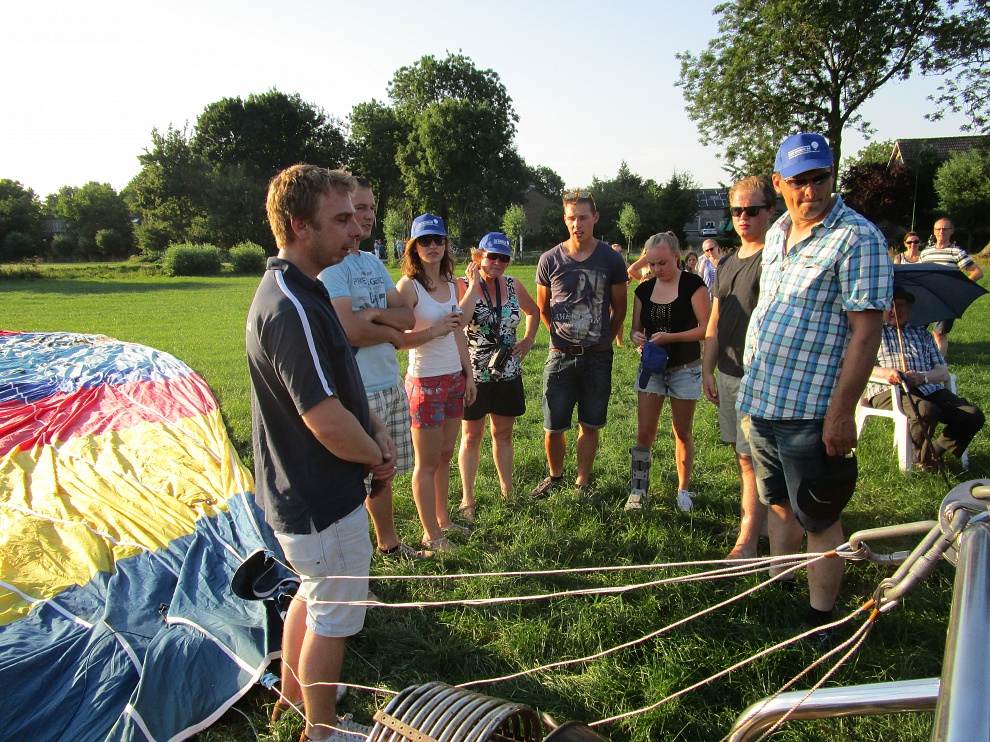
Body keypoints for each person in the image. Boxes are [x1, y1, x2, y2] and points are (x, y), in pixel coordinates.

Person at [247, 165, 394, 741]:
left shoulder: (305, 290)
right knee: (333, 618)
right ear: (298, 225)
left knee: (310, 600)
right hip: (319, 498)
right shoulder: (291, 306)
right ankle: (324, 731)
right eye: (340, 219)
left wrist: (374, 426)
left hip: (305, 493)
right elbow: (326, 420)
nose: (355, 230)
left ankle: (291, 700)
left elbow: (338, 385)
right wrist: (375, 457)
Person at [737, 133, 892, 638]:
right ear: (779, 184)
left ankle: (821, 616)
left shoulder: (856, 237)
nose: (811, 190)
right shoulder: (778, 231)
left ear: (832, 175)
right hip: (763, 398)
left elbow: (866, 332)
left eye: (820, 178)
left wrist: (841, 412)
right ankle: (780, 587)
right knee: (779, 503)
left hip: (812, 407)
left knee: (819, 516)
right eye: (799, 181)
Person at [320, 178, 430, 561]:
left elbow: (407, 317)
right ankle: (351, 560)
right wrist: (388, 330)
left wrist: (373, 315)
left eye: (370, 208)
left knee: (385, 472)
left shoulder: (371, 261)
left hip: (389, 383)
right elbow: (348, 329)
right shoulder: (333, 267)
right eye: (358, 208)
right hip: (358, 391)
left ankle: (388, 544)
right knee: (354, 480)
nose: (366, 216)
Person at [530, 190, 628, 498]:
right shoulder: (549, 259)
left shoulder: (611, 259)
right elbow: (543, 308)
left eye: (583, 217)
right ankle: (555, 477)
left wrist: (602, 340)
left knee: (590, 424)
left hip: (597, 357)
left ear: (595, 218)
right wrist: (560, 338)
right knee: (553, 426)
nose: (577, 224)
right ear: (565, 219)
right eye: (572, 218)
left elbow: (620, 309)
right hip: (560, 356)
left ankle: (582, 482)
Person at [702, 176, 774, 558]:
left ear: (771, 211)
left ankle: (748, 539)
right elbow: (715, 320)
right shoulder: (727, 262)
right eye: (736, 211)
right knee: (741, 452)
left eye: (752, 210)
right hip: (728, 372)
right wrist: (707, 369)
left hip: (758, 376)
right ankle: (758, 522)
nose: (743, 217)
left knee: (752, 457)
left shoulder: (775, 261)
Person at [396, 214, 477, 553]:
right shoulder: (408, 287)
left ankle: (443, 520)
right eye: (425, 241)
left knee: (444, 456)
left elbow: (458, 332)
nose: (433, 246)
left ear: (446, 244)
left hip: (453, 379)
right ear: (414, 247)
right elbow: (397, 340)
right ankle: (431, 534)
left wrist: (468, 374)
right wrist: (434, 330)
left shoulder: (450, 283)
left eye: (438, 240)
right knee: (426, 463)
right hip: (424, 383)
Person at [627, 232, 711, 512]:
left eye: (662, 263)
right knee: (645, 432)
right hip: (652, 369)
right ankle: (638, 490)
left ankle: (683, 490)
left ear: (676, 256)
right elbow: (635, 330)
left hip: (685, 369)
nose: (656, 269)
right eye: (651, 264)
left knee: (682, 431)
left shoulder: (693, 285)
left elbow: (706, 328)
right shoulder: (644, 290)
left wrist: (671, 338)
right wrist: (637, 338)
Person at [457, 232, 539, 513]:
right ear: (478, 256)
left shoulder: (513, 284)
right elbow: (460, 322)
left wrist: (528, 340)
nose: (498, 263)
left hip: (508, 371)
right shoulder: (462, 284)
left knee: (503, 433)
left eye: (504, 258)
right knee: (471, 436)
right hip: (474, 375)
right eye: (492, 256)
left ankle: (508, 491)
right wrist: (473, 285)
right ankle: (468, 498)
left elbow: (534, 311)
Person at [867, 286, 984, 470]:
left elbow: (942, 371)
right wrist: (888, 373)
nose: (895, 310)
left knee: (972, 415)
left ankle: (931, 454)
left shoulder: (922, 334)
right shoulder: (873, 333)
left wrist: (922, 377)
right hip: (889, 390)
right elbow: (861, 367)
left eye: (901, 305)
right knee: (925, 410)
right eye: (890, 305)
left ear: (910, 308)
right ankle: (925, 462)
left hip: (927, 387)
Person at [920, 218, 984, 357]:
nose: (941, 232)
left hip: (945, 299)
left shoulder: (956, 252)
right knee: (917, 330)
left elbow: (977, 272)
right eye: (938, 229)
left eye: (945, 229)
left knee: (939, 333)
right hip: (926, 297)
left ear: (952, 231)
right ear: (934, 231)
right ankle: (920, 360)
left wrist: (956, 286)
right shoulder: (926, 253)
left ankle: (939, 363)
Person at [612, 243, 631, 346]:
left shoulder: (624, 263)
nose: (618, 253)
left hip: (619, 292)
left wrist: (627, 284)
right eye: (616, 251)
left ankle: (619, 342)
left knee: (618, 315)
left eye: (619, 251)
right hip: (607, 291)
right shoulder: (607, 262)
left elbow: (631, 272)